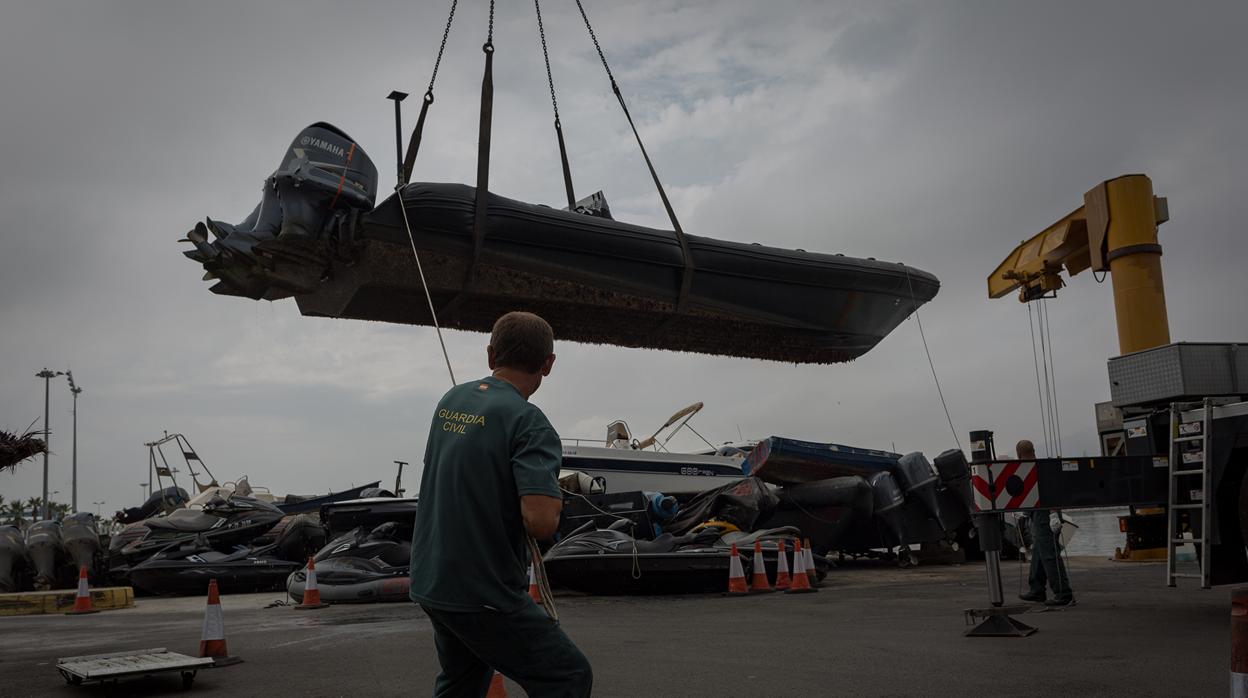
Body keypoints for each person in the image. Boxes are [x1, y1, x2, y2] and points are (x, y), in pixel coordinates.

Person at [409, 311, 593, 697]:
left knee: (462, 681)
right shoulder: (530, 423)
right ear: (548, 364)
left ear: (491, 355)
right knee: (568, 676)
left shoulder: (451, 400)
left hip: (432, 580)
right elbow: (541, 522)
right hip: (483, 591)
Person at [1015, 439, 1075, 607]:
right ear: (1033, 451)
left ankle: (1063, 593)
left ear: (1019, 455)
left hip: (1045, 513)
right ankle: (1037, 589)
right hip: (1043, 512)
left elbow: (1050, 493)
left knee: (1049, 553)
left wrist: (1053, 514)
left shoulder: (1030, 470)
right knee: (1040, 552)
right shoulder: (1040, 467)